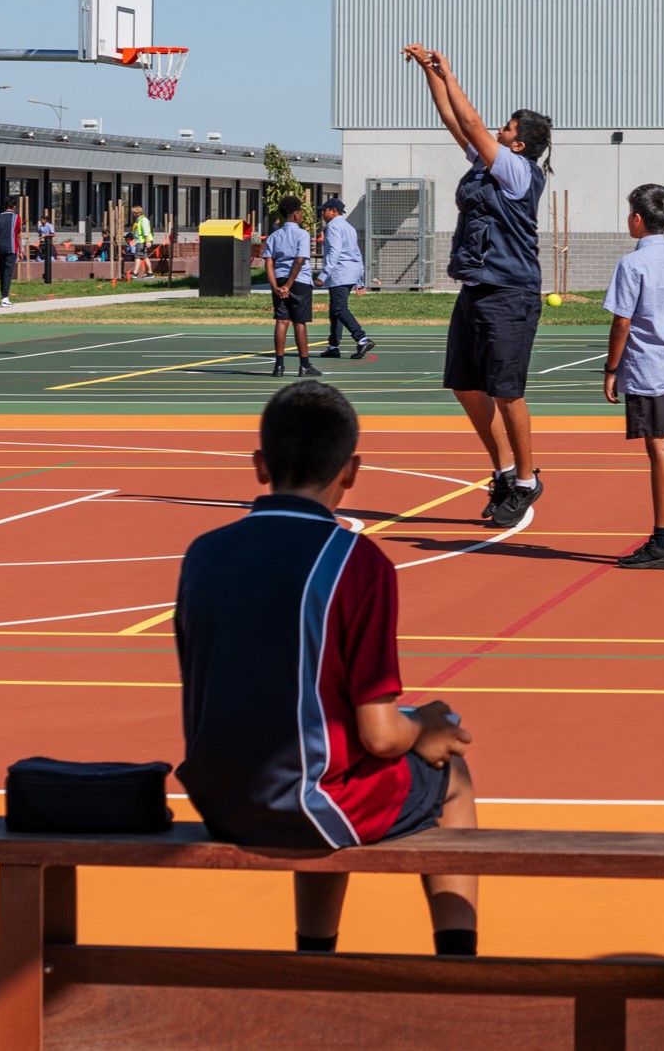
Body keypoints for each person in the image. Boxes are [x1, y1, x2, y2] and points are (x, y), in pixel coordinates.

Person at [174, 381, 478, 956]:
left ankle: (314, 955)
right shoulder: (356, 562)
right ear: (352, 470)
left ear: (260, 466)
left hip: (217, 799)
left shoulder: (204, 553)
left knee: (323, 758)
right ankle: (460, 964)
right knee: (450, 778)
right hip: (301, 805)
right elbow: (382, 735)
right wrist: (427, 728)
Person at [402, 43, 550, 531]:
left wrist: (451, 70)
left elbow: (470, 122)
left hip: (510, 291)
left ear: (519, 144)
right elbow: (452, 119)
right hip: (476, 289)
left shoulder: (516, 170)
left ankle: (527, 481)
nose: (498, 131)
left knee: (506, 392)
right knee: (466, 385)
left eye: (506, 128)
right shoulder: (489, 164)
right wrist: (431, 73)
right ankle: (505, 472)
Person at [603, 184, 664, 570]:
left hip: (647, 365)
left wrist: (611, 369)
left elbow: (622, 321)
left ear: (638, 219)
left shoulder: (632, 264)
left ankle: (661, 541)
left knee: (658, 451)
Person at [264, 195, 320, 378]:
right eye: (301, 213)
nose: (302, 215)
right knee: (299, 322)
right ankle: (304, 365)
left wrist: (275, 286)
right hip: (299, 281)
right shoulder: (302, 234)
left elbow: (269, 263)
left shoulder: (274, 236)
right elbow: (299, 260)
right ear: (296, 215)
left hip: (278, 280)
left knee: (281, 321)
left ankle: (278, 366)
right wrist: (289, 285)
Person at [316, 197, 375, 361]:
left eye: (325, 210)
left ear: (334, 211)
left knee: (339, 309)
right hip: (350, 273)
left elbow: (334, 252)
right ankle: (333, 346)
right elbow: (357, 253)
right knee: (335, 310)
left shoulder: (333, 227)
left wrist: (323, 274)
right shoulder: (349, 227)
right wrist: (359, 279)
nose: (322, 213)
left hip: (340, 273)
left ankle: (362, 338)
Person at [0, 196, 20, 307]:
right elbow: (17, 235)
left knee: (2, 272)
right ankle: (5, 297)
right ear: (14, 206)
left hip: (0, 248)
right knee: (8, 273)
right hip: (11, 248)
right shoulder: (16, 218)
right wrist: (21, 251)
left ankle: (3, 295)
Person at [130, 206, 154, 280]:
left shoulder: (143, 220)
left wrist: (147, 241)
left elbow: (146, 231)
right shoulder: (139, 220)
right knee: (144, 256)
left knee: (137, 257)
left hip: (142, 241)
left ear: (136, 213)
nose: (132, 214)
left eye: (133, 212)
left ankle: (135, 273)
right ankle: (150, 273)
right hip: (140, 241)